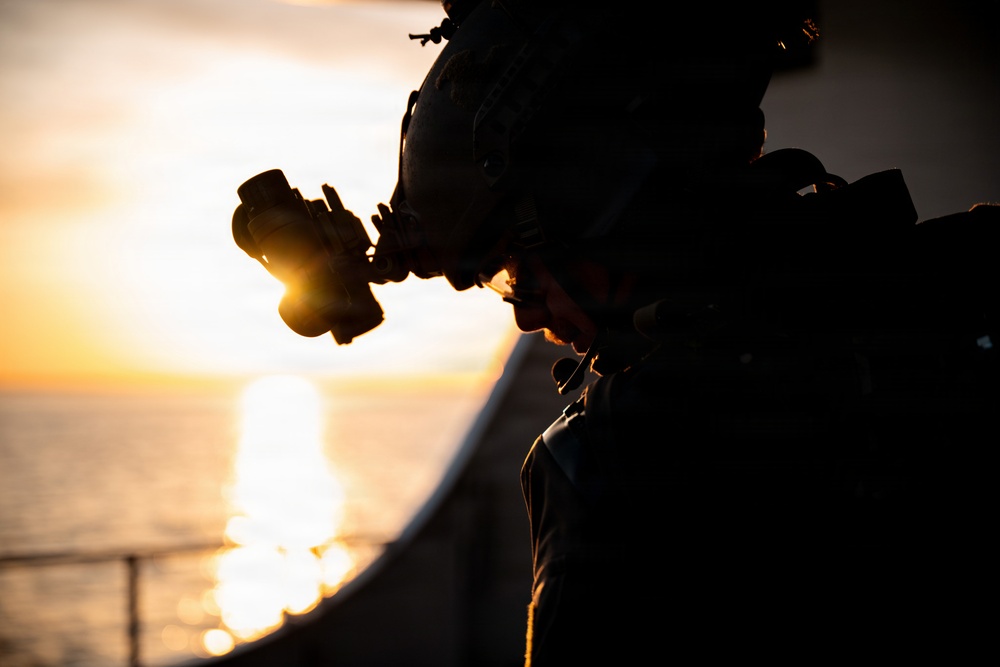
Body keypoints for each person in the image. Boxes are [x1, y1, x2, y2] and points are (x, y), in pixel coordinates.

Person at [235, 0, 997, 663]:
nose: (527, 312)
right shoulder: (950, 281)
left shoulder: (619, 457)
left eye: (515, 268)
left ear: (610, 214)